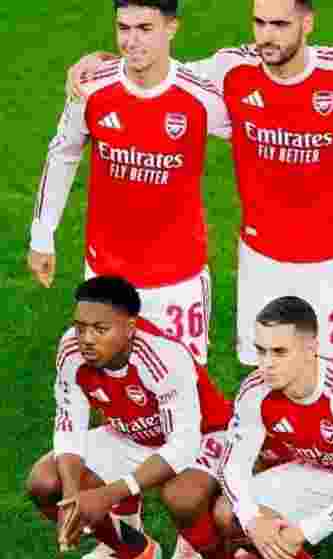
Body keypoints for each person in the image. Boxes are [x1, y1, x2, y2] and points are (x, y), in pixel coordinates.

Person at [67, 0, 333, 367]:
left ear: (307, 23)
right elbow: (160, 71)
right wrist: (100, 60)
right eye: (260, 23)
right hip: (260, 256)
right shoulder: (229, 68)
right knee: (267, 373)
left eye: (280, 24)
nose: (268, 35)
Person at [29, 0, 230, 365]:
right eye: (124, 28)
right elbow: (64, 153)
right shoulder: (91, 88)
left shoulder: (202, 97)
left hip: (178, 278)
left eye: (145, 29)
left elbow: (265, 134)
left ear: (172, 27)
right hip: (107, 271)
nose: (132, 41)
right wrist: (42, 236)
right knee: (113, 382)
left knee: (185, 388)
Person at [24, 276, 233, 559]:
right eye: (80, 326)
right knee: (45, 481)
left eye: (100, 329)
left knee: (182, 497)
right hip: (133, 435)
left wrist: (109, 495)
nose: (86, 339)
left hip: (204, 434)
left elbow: (182, 444)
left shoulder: (164, 356)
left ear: (130, 328)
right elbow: (69, 423)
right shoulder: (71, 350)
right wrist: (71, 499)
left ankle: (215, 553)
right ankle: (136, 551)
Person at [216, 296, 333, 559]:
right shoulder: (254, 390)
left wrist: (303, 531)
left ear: (310, 349)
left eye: (280, 352)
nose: (266, 364)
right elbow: (231, 467)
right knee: (229, 512)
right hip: (319, 469)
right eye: (261, 350)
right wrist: (253, 521)